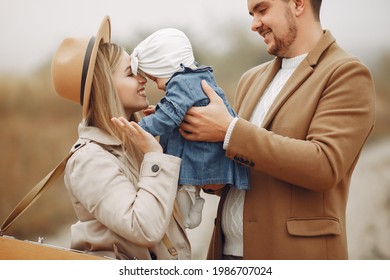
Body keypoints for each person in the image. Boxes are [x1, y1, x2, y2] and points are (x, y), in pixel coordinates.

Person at [179, 0, 376, 260]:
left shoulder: (347, 73)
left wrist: (229, 130)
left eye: (262, 10)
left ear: (297, 4)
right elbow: (242, 162)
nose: (253, 24)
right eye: (251, 14)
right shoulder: (251, 79)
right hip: (226, 256)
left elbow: (325, 165)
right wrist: (203, 156)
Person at [51, 16, 190, 260]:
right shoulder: (89, 159)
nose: (142, 78)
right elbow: (143, 227)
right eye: (130, 73)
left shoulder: (134, 142)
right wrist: (154, 157)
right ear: (105, 87)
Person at [128, 28, 250, 229]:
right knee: (188, 189)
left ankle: (190, 209)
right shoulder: (195, 76)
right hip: (203, 149)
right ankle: (195, 201)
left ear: (164, 66)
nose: (158, 86)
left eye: (155, 78)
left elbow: (170, 115)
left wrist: (139, 128)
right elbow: (182, 106)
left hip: (198, 150)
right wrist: (160, 108)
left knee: (182, 198)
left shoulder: (181, 82)